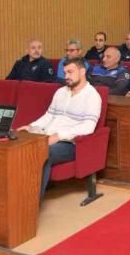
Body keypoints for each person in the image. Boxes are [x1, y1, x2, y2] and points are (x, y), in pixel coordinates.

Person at [16, 58, 101, 200]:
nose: (66, 76)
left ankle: (30, 203)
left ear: (82, 72)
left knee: (42, 152)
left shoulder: (92, 96)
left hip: (70, 143)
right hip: (47, 136)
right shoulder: (60, 92)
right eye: (65, 72)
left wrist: (59, 136)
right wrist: (31, 126)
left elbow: (88, 127)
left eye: (70, 72)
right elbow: (48, 116)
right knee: (17, 147)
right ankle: (16, 197)